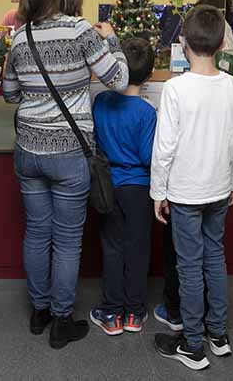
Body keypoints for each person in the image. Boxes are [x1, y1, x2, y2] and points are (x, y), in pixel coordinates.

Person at [3, 0, 128, 350]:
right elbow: (119, 79)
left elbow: (9, 94)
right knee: (68, 240)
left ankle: (39, 311)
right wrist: (112, 40)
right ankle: (61, 320)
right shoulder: (81, 32)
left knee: (37, 232)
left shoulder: (21, 36)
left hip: (28, 150)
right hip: (70, 152)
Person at [151, 6, 233, 371]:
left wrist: (159, 192)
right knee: (215, 257)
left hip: (186, 193)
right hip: (219, 188)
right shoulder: (232, 85)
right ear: (223, 43)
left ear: (183, 42)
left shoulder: (176, 88)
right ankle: (217, 334)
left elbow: (165, 147)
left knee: (189, 267)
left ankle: (192, 344)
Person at [89, 37, 157, 336]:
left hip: (107, 185)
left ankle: (111, 312)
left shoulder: (101, 101)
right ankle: (134, 313)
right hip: (139, 188)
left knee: (112, 248)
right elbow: (147, 156)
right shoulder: (146, 112)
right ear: (150, 75)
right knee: (138, 249)